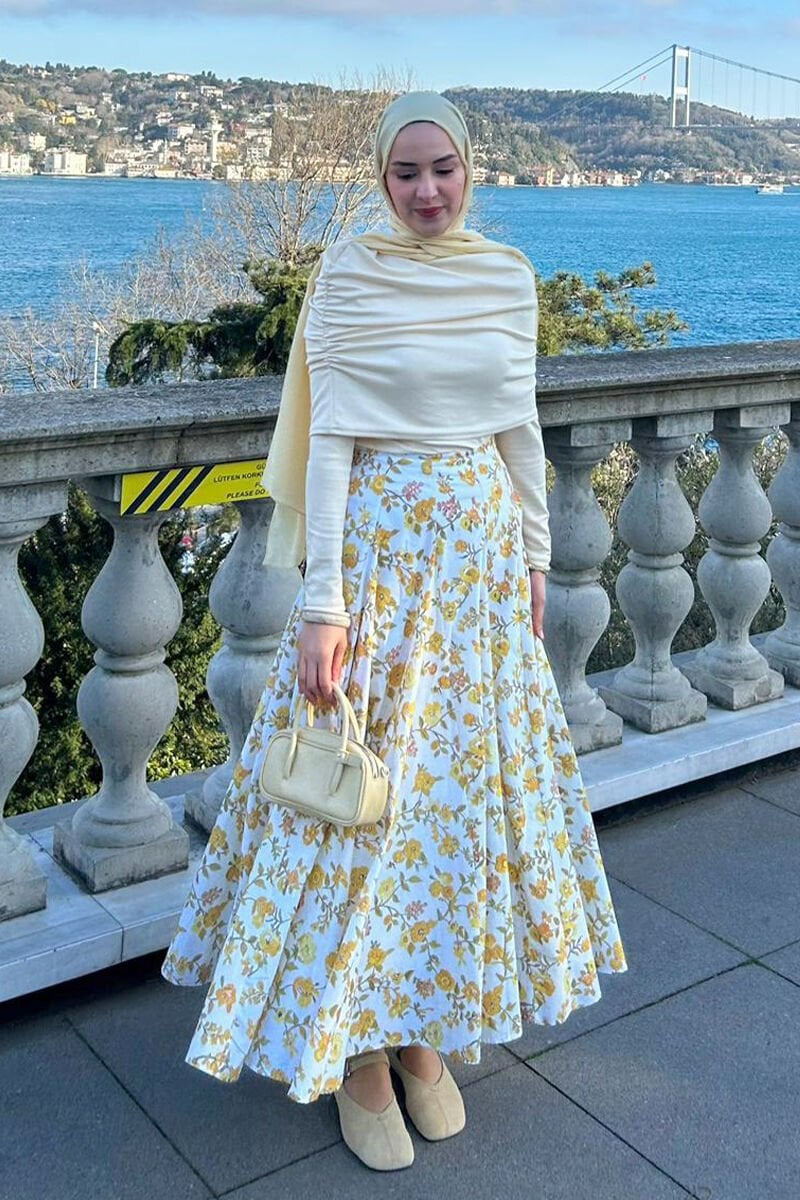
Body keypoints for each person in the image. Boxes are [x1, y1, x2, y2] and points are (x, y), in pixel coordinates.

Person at [162, 90, 626, 1173]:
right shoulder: (349, 276)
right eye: (405, 172)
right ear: (380, 178)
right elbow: (331, 444)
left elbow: (518, 427)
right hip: (377, 567)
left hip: (476, 576)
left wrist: (533, 559)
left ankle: (420, 1026)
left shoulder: (505, 277)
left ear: (470, 171)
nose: (426, 191)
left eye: (443, 170)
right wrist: (323, 605)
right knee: (354, 809)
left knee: (447, 810)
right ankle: (358, 1052)